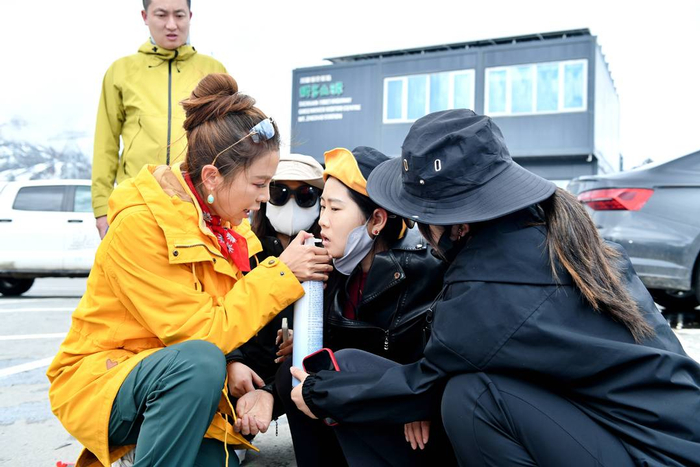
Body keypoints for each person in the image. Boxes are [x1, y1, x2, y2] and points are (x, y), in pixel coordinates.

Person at [291, 110, 700, 467]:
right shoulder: (554, 238)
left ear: (457, 225)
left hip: (649, 454)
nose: (419, 231)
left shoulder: (491, 284)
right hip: (658, 436)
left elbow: (424, 386)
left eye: (420, 218)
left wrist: (318, 391)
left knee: (472, 398)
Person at [47, 73, 331, 467]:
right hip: (106, 380)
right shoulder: (141, 225)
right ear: (212, 176)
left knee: (216, 458)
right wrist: (282, 274)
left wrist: (233, 363)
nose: (265, 198)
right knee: (200, 362)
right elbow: (199, 334)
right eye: (260, 184)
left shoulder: (227, 225)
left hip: (179, 377)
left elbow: (218, 315)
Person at [276, 147, 455, 466]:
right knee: (295, 369)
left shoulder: (425, 272)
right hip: (362, 407)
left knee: (340, 368)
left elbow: (441, 363)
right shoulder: (334, 270)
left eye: (335, 208)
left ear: (377, 220)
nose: (322, 221)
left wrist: (417, 404)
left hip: (413, 423)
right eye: (322, 207)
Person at [92, 0, 227, 238]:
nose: (171, 24)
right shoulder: (120, 71)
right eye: (161, 15)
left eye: (179, 15)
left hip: (197, 203)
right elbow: (106, 144)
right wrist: (102, 209)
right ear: (145, 16)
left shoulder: (213, 70)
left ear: (190, 16)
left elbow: (226, 140)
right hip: (135, 202)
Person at [224, 153, 324, 457]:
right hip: (243, 373)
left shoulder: (329, 252)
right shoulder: (240, 247)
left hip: (294, 376)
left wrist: (304, 341)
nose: (291, 204)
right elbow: (217, 309)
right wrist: (232, 361)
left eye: (305, 195)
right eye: (280, 193)